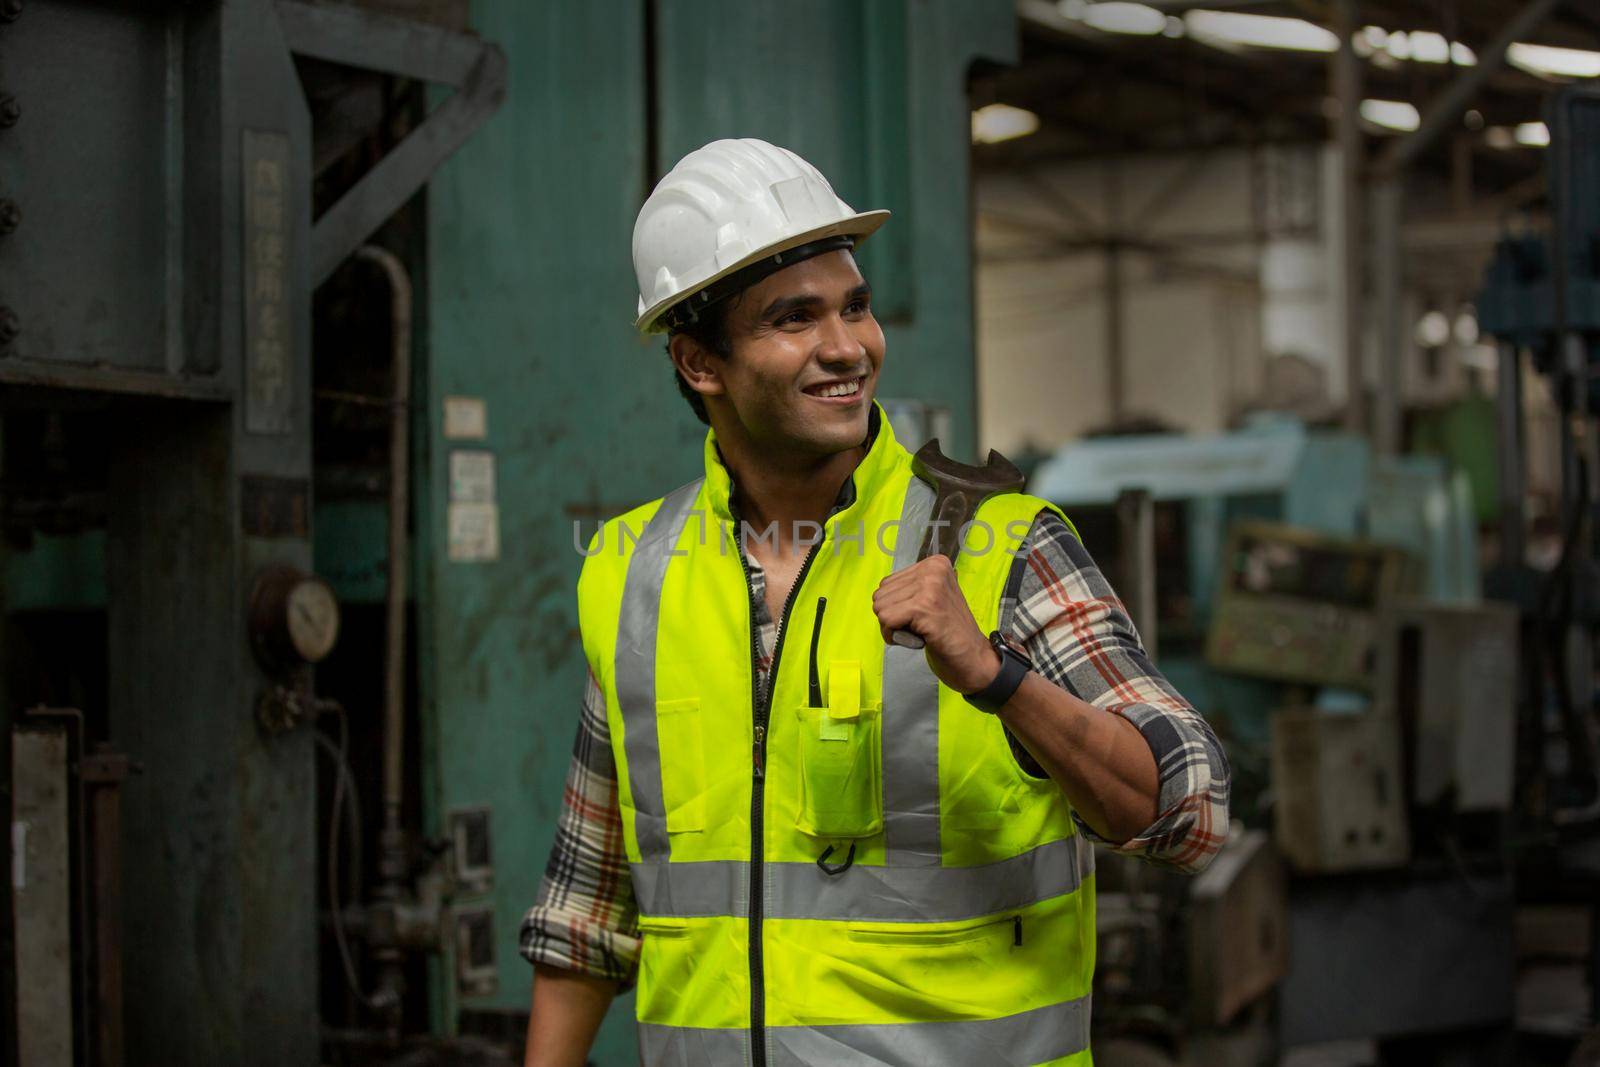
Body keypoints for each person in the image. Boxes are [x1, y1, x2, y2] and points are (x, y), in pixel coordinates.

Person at [521, 138, 1229, 1067]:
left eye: (855, 305)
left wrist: (998, 676)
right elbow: (587, 908)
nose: (848, 347)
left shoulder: (999, 545)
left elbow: (1193, 812)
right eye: (795, 318)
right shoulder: (634, 570)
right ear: (700, 362)